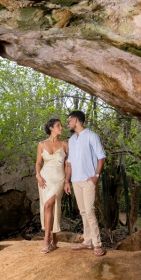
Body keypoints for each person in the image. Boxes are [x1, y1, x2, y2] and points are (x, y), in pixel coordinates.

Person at [64, 110, 107, 257]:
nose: (67, 124)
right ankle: (87, 241)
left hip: (89, 180)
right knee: (83, 212)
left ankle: (97, 244)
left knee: (89, 211)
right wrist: (67, 181)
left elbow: (101, 157)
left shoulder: (91, 136)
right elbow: (69, 162)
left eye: (69, 121)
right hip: (76, 180)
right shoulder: (71, 140)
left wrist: (96, 176)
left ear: (76, 121)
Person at [35, 118, 68, 254]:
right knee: (47, 206)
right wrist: (38, 175)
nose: (61, 128)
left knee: (50, 205)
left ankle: (46, 239)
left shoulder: (65, 144)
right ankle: (53, 238)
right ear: (51, 128)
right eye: (58, 126)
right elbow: (38, 163)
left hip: (59, 179)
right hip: (45, 178)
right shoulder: (42, 144)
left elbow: (68, 164)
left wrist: (67, 181)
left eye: (61, 125)